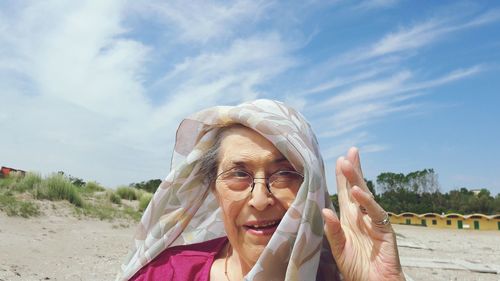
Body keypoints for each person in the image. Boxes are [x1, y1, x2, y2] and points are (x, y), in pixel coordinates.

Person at [117, 99, 405, 281]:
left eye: (284, 174)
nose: (259, 199)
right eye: (239, 174)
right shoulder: (166, 274)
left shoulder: (346, 275)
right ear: (214, 190)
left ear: (312, 189)